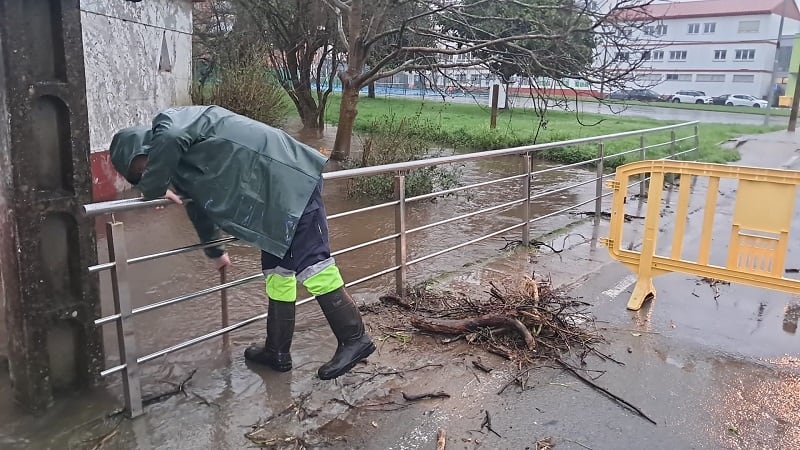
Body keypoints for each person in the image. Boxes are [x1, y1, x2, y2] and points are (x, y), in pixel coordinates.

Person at [109, 105, 375, 380]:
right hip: (273, 200)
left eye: (144, 167)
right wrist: (215, 251)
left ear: (145, 146)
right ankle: (277, 351)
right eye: (140, 176)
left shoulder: (169, 123)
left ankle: (355, 339)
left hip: (290, 179)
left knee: (314, 265)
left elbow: (173, 137)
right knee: (277, 273)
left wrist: (153, 187)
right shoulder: (181, 170)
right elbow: (200, 208)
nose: (148, 173)